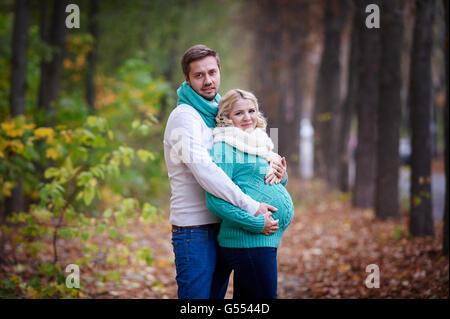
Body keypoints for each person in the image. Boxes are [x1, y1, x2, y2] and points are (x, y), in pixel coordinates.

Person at [163, 44, 287, 299]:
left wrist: (277, 171)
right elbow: (205, 170)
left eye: (212, 72)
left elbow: (246, 163)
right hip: (195, 229)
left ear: (219, 71)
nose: (208, 80)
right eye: (199, 75)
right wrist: (251, 206)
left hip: (227, 225)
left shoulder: (222, 114)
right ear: (187, 79)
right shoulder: (184, 117)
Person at [206, 89, 294, 299]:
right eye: (239, 113)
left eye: (251, 110)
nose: (247, 117)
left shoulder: (258, 143)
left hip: (259, 242)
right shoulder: (224, 148)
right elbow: (215, 200)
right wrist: (256, 223)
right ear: (226, 117)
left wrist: (282, 177)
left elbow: (258, 183)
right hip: (247, 241)